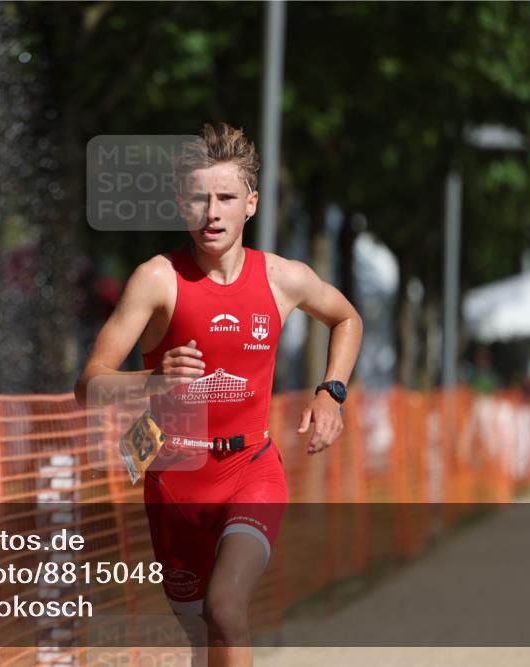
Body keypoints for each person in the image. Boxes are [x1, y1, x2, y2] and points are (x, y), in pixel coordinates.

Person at [74, 123, 362, 666]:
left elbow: (346, 318)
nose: (213, 212)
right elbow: (89, 384)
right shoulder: (157, 280)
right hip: (175, 478)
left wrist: (332, 392)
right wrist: (153, 383)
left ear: (250, 203)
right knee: (205, 637)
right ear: (181, 203)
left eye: (226, 197)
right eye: (200, 198)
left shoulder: (283, 278)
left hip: (252, 465)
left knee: (226, 610)